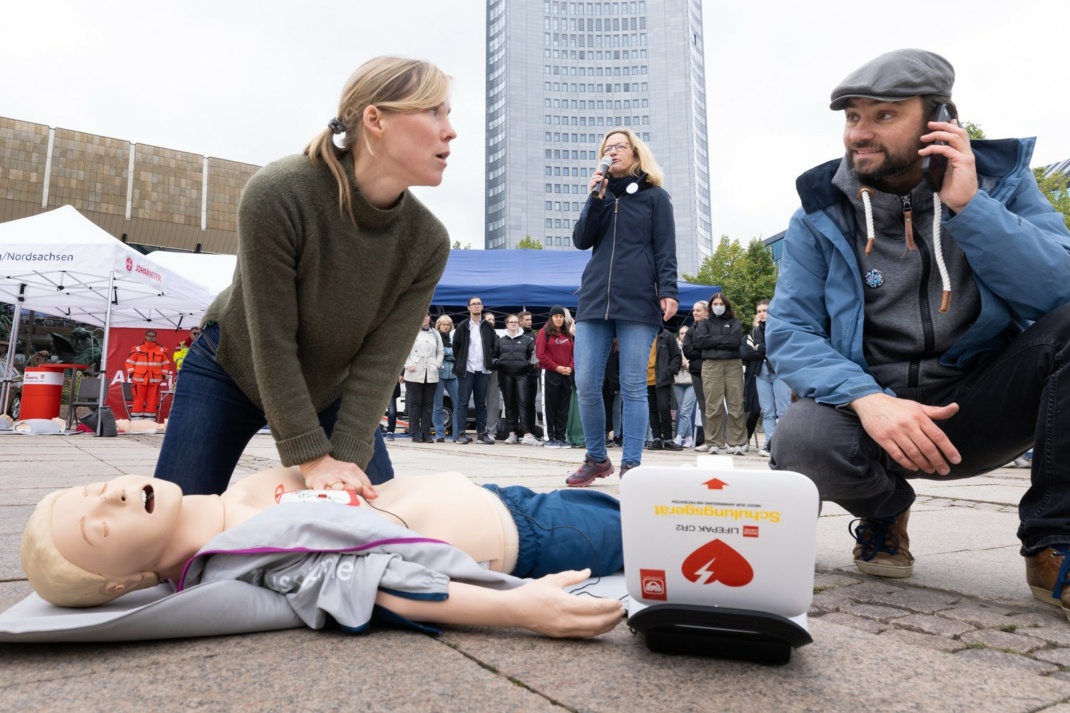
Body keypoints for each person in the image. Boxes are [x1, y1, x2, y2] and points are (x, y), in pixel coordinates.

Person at [765, 50, 1070, 613]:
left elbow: (1058, 292)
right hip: (873, 416)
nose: (860, 132)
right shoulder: (818, 211)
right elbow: (789, 330)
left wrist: (971, 207)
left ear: (940, 121)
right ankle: (885, 508)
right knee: (801, 442)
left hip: (975, 409)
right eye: (853, 117)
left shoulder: (1004, 185)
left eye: (883, 116)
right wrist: (866, 398)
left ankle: (1054, 540)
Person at [152, 57, 455, 497]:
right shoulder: (278, 193)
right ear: (376, 119)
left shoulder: (427, 241)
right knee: (170, 521)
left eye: (448, 114)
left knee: (383, 519)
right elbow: (272, 339)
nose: (450, 130)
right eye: (434, 111)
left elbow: (380, 362)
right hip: (232, 366)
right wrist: (311, 458)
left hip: (331, 389)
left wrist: (346, 460)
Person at [20, 467, 625, 639]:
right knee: (666, 523)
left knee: (644, 507)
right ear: (125, 582)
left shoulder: (233, 507)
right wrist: (526, 611)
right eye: (99, 527)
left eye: (94, 491)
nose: (113, 498)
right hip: (529, 535)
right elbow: (367, 586)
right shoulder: (239, 558)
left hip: (491, 494)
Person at [567, 128, 679, 487]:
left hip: (638, 298)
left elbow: (665, 248)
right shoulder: (601, 194)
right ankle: (597, 458)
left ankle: (632, 464)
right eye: (607, 148)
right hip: (595, 297)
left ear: (635, 152)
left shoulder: (655, 198)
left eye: (619, 146)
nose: (612, 152)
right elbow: (581, 240)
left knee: (632, 384)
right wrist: (593, 199)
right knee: (586, 382)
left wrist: (669, 289)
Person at [690, 292, 747, 455]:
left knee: (736, 404)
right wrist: (723, 340)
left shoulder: (734, 321)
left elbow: (736, 341)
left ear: (726, 305)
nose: (718, 307)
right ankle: (714, 442)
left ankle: (736, 442)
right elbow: (700, 342)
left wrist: (713, 341)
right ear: (710, 306)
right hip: (711, 365)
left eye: (721, 304)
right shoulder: (704, 323)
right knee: (713, 405)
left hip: (733, 364)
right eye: (715, 304)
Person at [744, 300, 791, 458]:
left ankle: (784, 444)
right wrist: (764, 350)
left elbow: (780, 349)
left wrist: (760, 348)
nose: (762, 313)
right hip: (761, 372)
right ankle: (769, 443)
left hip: (779, 371)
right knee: (768, 411)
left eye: (765, 310)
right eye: (759, 311)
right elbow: (747, 353)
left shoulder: (781, 328)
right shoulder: (754, 332)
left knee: (783, 410)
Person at [452, 296, 497, 445]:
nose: (476, 306)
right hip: (467, 369)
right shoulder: (463, 326)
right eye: (473, 304)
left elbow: (494, 345)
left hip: (482, 369)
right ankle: (460, 434)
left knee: (481, 403)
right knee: (463, 402)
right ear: (468, 308)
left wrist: (490, 361)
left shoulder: (487, 326)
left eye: (479, 304)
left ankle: (482, 434)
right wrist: (461, 363)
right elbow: (456, 347)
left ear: (482, 307)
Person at [492, 315, 537, 445]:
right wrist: (498, 363)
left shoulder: (527, 340)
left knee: (523, 403)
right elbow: (493, 356)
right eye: (511, 322)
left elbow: (534, 356)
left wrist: (528, 365)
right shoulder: (500, 341)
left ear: (519, 324)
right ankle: (512, 433)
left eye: (516, 322)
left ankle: (527, 433)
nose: (514, 324)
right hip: (505, 375)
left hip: (522, 375)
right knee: (509, 404)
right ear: (506, 324)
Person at [536, 306, 574, 449]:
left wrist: (570, 367)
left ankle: (561, 437)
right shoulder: (543, 332)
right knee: (549, 407)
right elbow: (541, 354)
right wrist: (556, 367)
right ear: (551, 317)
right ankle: (549, 438)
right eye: (556, 316)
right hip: (550, 373)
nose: (559, 318)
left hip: (566, 374)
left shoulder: (567, 334)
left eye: (561, 316)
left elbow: (572, 354)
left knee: (563, 407)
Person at [403, 313, 443, 444]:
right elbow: (403, 350)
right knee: (415, 404)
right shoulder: (410, 331)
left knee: (428, 404)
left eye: (427, 315)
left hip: (430, 372)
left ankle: (426, 433)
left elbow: (440, 351)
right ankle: (415, 432)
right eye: (422, 315)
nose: (424, 318)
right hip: (414, 371)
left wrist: (437, 364)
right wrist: (408, 364)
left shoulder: (435, 334)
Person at [645, 328, 682, 451]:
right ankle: (656, 438)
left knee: (664, 407)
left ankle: (667, 438)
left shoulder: (667, 336)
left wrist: (669, 370)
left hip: (662, 378)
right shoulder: (642, 334)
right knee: (652, 409)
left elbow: (677, 356)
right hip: (645, 379)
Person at [682, 301, 710, 451]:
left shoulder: (712, 327)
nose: (695, 313)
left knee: (715, 404)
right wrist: (701, 350)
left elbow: (710, 346)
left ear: (706, 312)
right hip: (696, 370)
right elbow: (687, 350)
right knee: (703, 405)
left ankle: (720, 438)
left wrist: (698, 349)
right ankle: (707, 439)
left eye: (698, 310)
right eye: (693, 310)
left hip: (712, 370)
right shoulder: (690, 331)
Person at [125, 330, 170, 420]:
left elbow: (166, 364)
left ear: (156, 337)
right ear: (145, 336)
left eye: (153, 336)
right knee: (138, 400)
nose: (151, 337)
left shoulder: (161, 350)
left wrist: (163, 375)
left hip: (155, 380)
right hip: (139, 379)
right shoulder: (138, 349)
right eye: (149, 335)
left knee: (152, 401)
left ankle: (149, 422)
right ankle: (136, 423)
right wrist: (131, 373)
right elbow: (129, 362)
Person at [431, 315, 458, 443]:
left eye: (448, 324)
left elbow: (457, 353)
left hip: (453, 374)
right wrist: (449, 353)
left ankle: (457, 434)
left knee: (458, 404)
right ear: (439, 325)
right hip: (439, 374)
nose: (446, 326)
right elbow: (435, 353)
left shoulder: (454, 337)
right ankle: (439, 434)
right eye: (443, 324)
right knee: (438, 405)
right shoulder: (434, 337)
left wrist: (444, 354)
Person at [517, 311, 542, 445]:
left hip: (532, 373)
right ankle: (519, 431)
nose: (529, 322)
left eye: (530, 320)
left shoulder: (534, 336)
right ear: (520, 321)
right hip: (519, 374)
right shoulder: (517, 335)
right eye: (526, 320)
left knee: (531, 404)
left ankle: (530, 432)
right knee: (520, 403)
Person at [673, 326, 696, 449]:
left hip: (691, 381)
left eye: (686, 333)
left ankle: (679, 437)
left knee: (685, 411)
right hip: (677, 381)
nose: (683, 335)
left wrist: (686, 364)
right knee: (683, 410)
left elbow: (697, 365)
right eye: (681, 333)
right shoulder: (674, 347)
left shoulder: (695, 345)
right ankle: (689, 437)